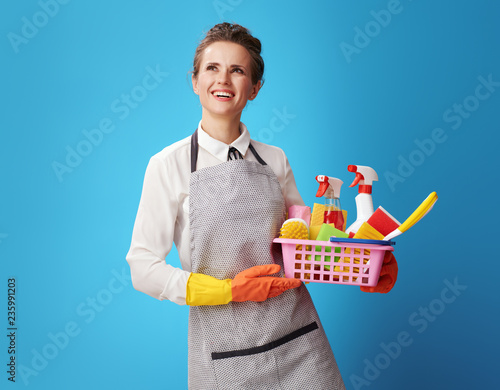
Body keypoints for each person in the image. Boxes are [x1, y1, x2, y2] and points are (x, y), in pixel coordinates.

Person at [126, 22, 397, 389]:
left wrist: (366, 265)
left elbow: (308, 247)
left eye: (238, 70)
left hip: (299, 341)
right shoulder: (168, 166)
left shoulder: (275, 160)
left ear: (254, 88)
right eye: (212, 68)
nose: (223, 79)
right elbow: (143, 268)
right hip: (225, 353)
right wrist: (229, 291)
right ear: (194, 81)